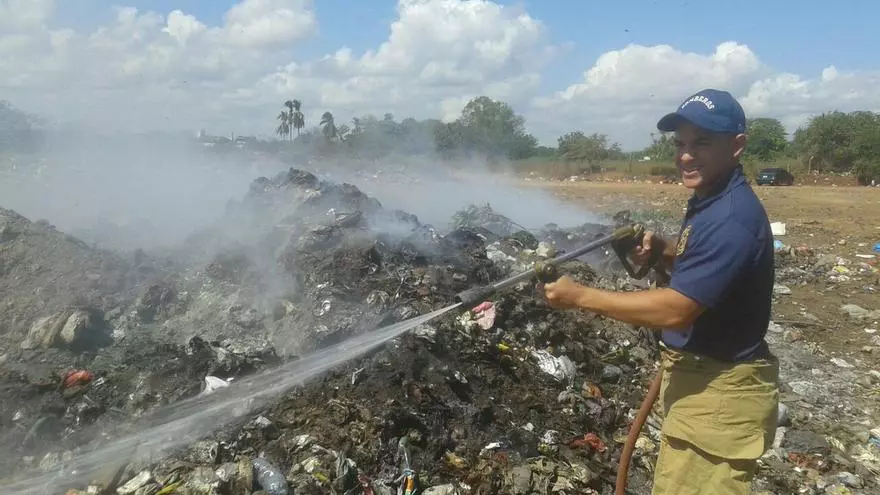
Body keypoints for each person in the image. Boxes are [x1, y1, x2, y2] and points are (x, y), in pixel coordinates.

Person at [541, 88, 779, 495]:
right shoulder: (710, 201)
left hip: (720, 392)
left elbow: (676, 310)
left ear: (736, 146)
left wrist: (580, 297)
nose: (686, 155)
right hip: (701, 381)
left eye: (702, 143)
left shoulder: (732, 218)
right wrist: (667, 252)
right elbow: (711, 278)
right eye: (680, 144)